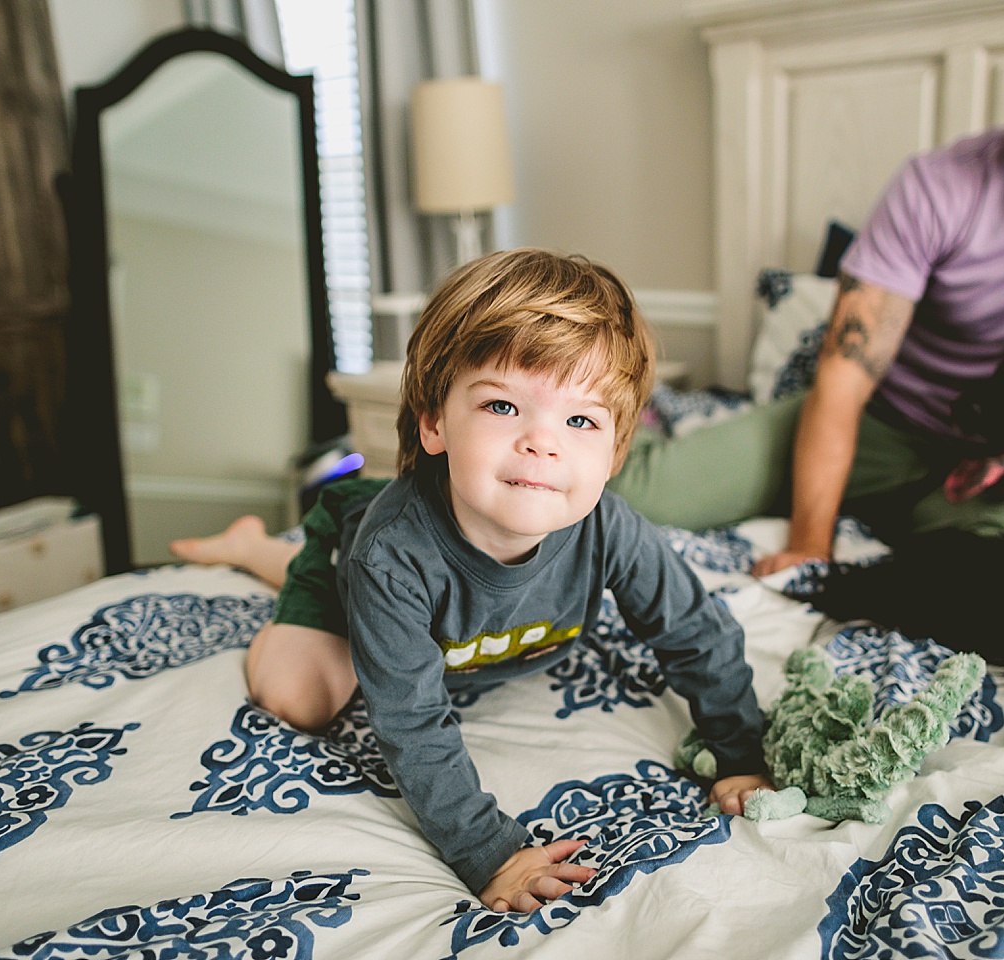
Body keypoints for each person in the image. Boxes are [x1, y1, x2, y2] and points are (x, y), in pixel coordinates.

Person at [173, 248, 770, 914]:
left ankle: (254, 545)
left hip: (418, 592)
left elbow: (693, 630)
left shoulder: (610, 528)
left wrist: (740, 750)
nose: (542, 442)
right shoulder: (390, 556)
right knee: (297, 698)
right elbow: (413, 724)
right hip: (363, 569)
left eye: (580, 421)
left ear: (615, 452)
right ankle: (281, 556)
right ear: (435, 423)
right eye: (503, 406)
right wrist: (488, 852)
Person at [608, 0, 1004, 576]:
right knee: (633, 496)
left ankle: (925, 522)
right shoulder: (940, 185)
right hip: (882, 425)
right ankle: (633, 416)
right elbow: (843, 378)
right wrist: (810, 543)